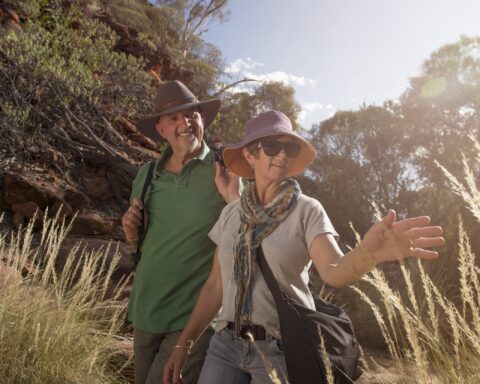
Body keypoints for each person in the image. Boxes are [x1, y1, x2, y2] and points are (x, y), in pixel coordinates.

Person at [162, 110, 445, 384]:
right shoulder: (231, 214)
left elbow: (333, 271)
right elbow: (215, 286)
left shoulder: (307, 210)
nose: (282, 154)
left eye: (290, 148)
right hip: (225, 345)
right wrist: (183, 345)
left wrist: (367, 254)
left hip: (280, 350)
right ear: (250, 154)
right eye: (272, 146)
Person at [121, 80, 240, 384]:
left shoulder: (224, 170)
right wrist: (131, 232)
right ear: (160, 129)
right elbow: (139, 244)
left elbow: (246, 233)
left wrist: (234, 200)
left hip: (193, 319)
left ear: (203, 120)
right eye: (173, 118)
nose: (184, 124)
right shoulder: (147, 174)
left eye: (191, 115)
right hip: (147, 310)